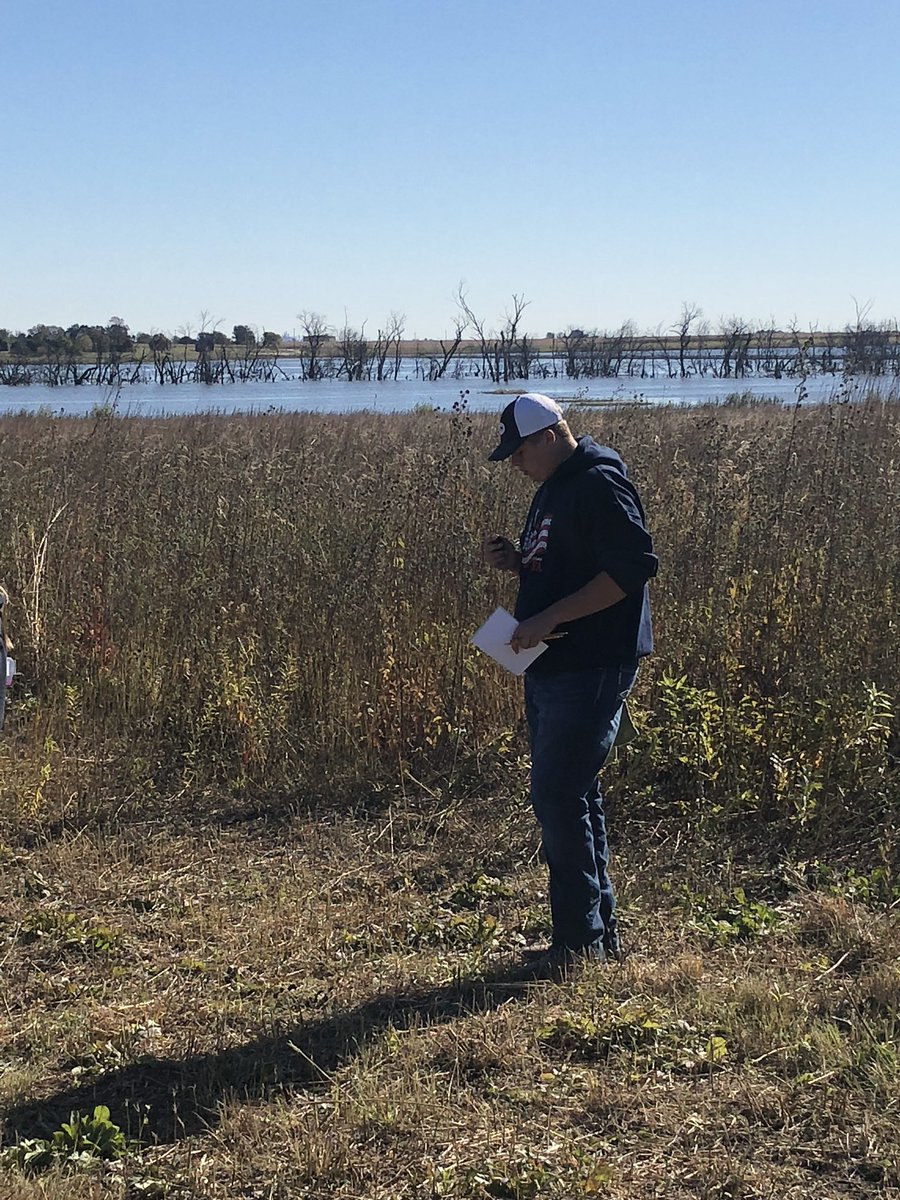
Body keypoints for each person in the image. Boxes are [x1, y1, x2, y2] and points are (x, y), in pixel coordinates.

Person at [482, 393, 658, 977]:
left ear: (551, 435)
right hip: (554, 666)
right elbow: (569, 562)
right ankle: (591, 938)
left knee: (557, 794)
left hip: (590, 664)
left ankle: (578, 944)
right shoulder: (555, 487)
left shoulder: (598, 483)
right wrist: (518, 562)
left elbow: (630, 571)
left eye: (520, 450)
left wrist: (546, 618)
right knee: (573, 794)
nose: (514, 463)